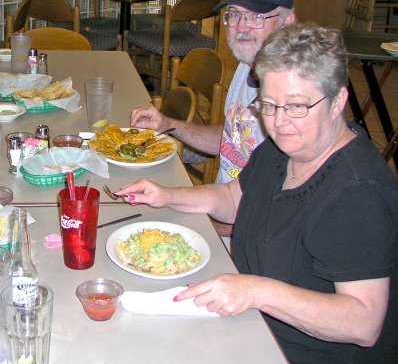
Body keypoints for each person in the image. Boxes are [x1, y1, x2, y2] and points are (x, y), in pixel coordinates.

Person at [117, 23, 398, 364]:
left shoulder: (357, 193)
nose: (279, 122)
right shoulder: (285, 147)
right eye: (268, 104)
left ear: (338, 101)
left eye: (296, 106)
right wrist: (167, 196)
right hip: (254, 327)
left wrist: (257, 291)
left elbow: (363, 323)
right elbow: (236, 199)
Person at [130, 0, 296, 237]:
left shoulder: (293, 104)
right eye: (234, 15)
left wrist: (209, 228)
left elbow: (278, 215)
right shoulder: (246, 67)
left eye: (255, 16)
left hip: (244, 238)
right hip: (221, 208)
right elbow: (233, 138)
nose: (241, 27)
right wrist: (169, 124)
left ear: (287, 22)